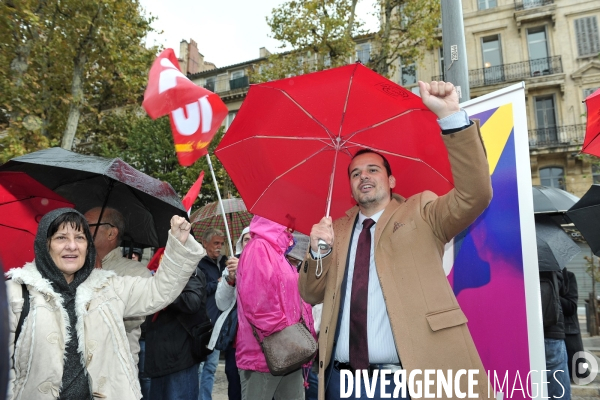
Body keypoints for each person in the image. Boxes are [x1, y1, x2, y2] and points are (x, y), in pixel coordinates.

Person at [299, 80, 493, 400]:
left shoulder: (422, 211)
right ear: (349, 187)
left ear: (390, 180)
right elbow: (309, 293)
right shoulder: (336, 229)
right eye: (356, 173)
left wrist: (451, 118)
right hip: (340, 382)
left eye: (373, 170)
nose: (364, 177)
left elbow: (475, 194)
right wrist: (318, 253)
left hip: (404, 382)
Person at [6, 208, 204, 399]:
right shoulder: (16, 293)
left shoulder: (109, 287)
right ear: (45, 244)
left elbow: (160, 291)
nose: (72, 246)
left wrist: (178, 244)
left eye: (80, 238)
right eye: (61, 238)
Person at [236, 215, 316, 400]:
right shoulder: (259, 247)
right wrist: (291, 337)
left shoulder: (279, 253)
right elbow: (258, 305)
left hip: (288, 353)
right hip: (264, 356)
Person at [84, 207, 151, 374]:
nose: (81, 230)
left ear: (111, 233)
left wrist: (96, 278)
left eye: (88, 225)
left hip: (115, 371)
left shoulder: (135, 272)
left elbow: (132, 319)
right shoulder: (72, 267)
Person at [145, 263, 209, 400]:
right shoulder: (156, 269)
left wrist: (162, 289)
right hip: (158, 359)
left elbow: (192, 302)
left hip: (180, 360)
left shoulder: (189, 270)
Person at [207, 227, 250, 400]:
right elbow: (222, 303)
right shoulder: (232, 264)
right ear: (241, 243)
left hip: (260, 344)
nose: (250, 243)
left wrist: (245, 271)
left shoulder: (268, 265)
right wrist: (230, 279)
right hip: (236, 341)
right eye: (246, 239)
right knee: (235, 388)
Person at [197, 228, 237, 400]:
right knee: (200, 368)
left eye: (222, 243)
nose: (219, 247)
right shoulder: (198, 264)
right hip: (203, 323)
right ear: (205, 243)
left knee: (211, 367)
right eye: (216, 243)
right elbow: (199, 290)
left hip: (218, 324)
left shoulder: (226, 263)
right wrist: (218, 282)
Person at [562, 268, 586, 382]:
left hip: (568, 331)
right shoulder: (535, 278)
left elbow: (571, 307)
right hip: (546, 332)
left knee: (576, 375)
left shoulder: (568, 277)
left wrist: (552, 292)